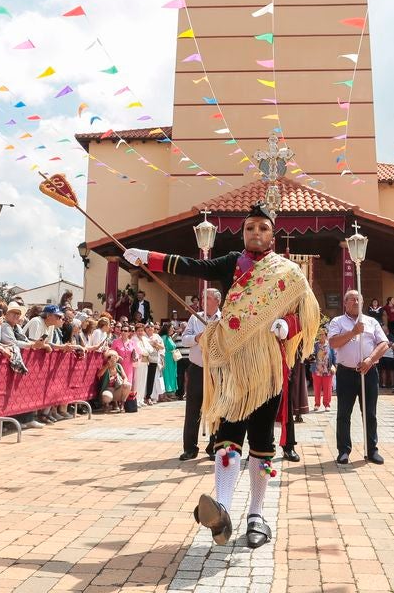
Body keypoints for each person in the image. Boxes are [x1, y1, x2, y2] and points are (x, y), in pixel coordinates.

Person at [123, 201, 319, 550]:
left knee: (261, 441)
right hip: (232, 364)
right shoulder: (233, 263)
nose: (255, 233)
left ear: (272, 233)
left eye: (262, 228)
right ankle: (223, 507)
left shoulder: (289, 273)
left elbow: (307, 315)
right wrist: (147, 257)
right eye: (249, 228)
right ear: (243, 233)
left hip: (268, 367)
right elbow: (193, 266)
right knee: (227, 436)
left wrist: (285, 324)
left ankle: (257, 515)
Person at [327, 289, 388, 466]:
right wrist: (353, 332)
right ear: (345, 303)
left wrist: (370, 359)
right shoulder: (337, 321)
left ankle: (372, 450)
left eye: (358, 299)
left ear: (362, 303)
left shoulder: (371, 322)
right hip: (346, 373)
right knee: (344, 413)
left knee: (370, 412)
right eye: (351, 300)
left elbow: (384, 344)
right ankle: (344, 450)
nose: (355, 302)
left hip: (368, 373)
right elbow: (333, 343)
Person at [178, 288, 220, 461]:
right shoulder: (195, 317)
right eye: (203, 298)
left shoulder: (224, 319)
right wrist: (197, 338)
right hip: (196, 368)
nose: (204, 301)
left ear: (217, 300)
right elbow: (184, 339)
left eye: (207, 298)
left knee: (217, 409)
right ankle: (190, 448)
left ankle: (214, 447)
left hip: (217, 370)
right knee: (193, 409)